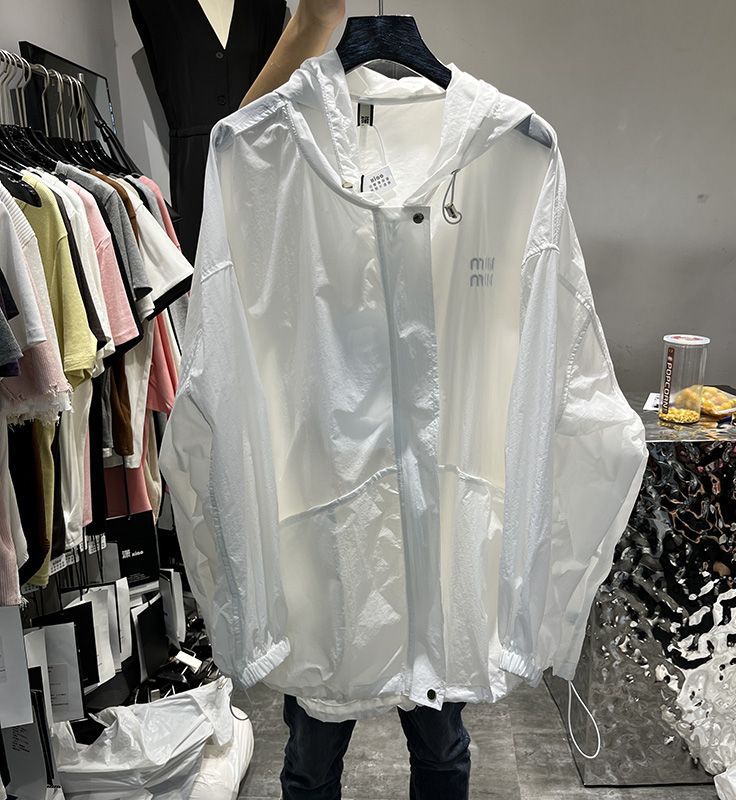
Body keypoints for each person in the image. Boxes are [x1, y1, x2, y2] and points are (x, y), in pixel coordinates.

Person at [239, 3, 472, 798]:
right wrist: (311, 23)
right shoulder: (293, 151)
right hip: (328, 494)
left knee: (438, 736)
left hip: (432, 504)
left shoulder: (477, 154)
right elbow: (238, 144)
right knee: (317, 733)